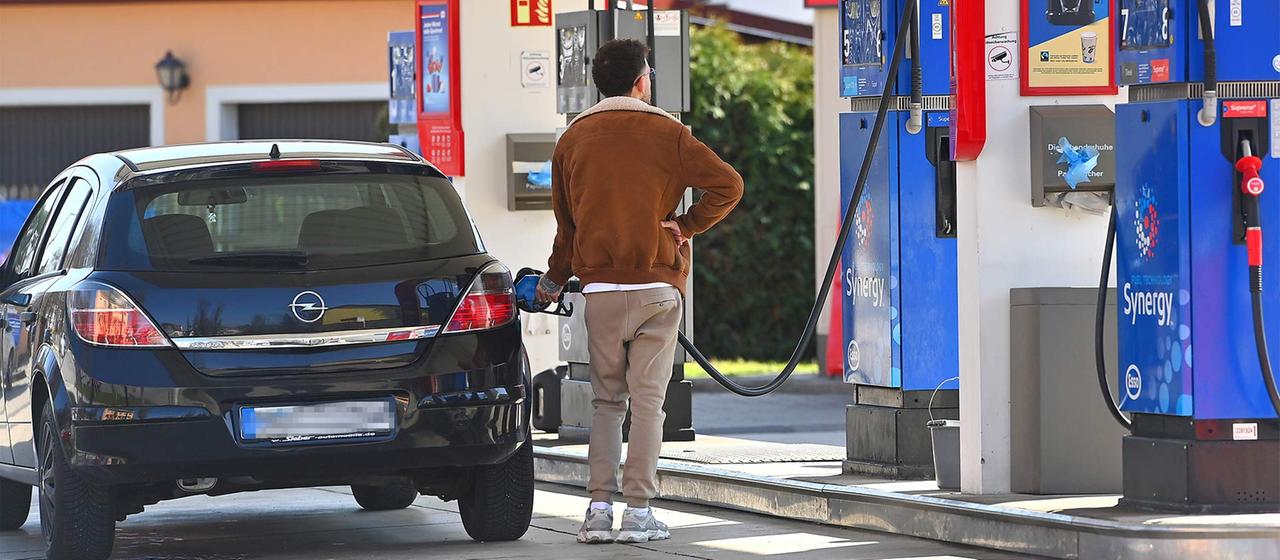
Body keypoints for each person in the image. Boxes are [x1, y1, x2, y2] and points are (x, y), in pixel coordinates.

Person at [535, 38, 744, 544]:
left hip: (601, 290)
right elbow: (729, 185)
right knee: (649, 405)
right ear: (641, 81)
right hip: (657, 287)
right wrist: (686, 226)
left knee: (607, 403)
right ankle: (639, 512)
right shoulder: (669, 133)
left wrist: (552, 281)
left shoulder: (572, 139)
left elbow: (568, 228)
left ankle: (598, 511)